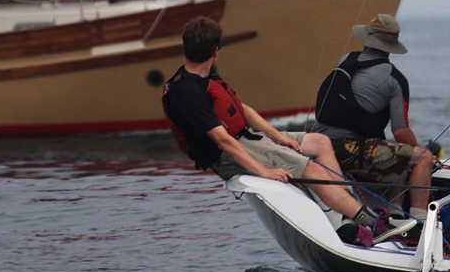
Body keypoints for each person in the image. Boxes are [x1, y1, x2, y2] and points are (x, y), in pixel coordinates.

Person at [162, 16, 416, 244]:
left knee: (320, 142)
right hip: (228, 155)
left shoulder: (206, 75)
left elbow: (240, 109)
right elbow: (223, 141)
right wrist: (265, 172)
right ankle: (373, 223)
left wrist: (278, 137)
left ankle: (347, 218)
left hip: (247, 138)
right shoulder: (187, 91)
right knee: (312, 169)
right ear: (216, 51)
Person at [314, 14, 435, 228]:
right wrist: (420, 151)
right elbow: (400, 131)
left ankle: (395, 213)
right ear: (391, 46)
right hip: (348, 152)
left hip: (320, 146)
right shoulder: (395, 80)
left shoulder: (346, 60)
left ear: (367, 39)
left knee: (399, 151)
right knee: (421, 156)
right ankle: (419, 222)